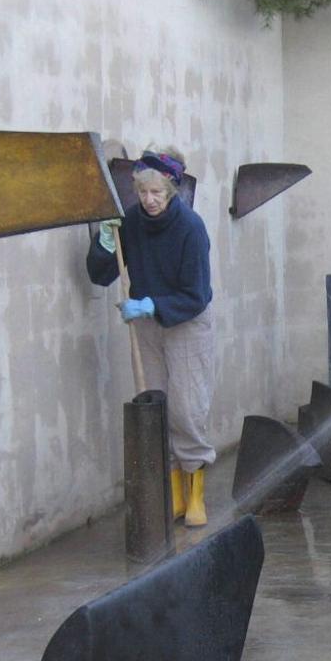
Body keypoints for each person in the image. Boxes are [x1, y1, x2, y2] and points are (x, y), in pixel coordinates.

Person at [87, 147, 216, 527]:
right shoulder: (131, 222)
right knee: (157, 405)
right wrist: (105, 243)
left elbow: (196, 295)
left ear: (171, 190)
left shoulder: (190, 228)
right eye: (143, 192)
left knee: (187, 408)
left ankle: (195, 492)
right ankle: (173, 493)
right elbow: (100, 275)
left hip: (186, 321)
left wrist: (150, 304)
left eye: (157, 192)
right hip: (146, 325)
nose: (149, 200)